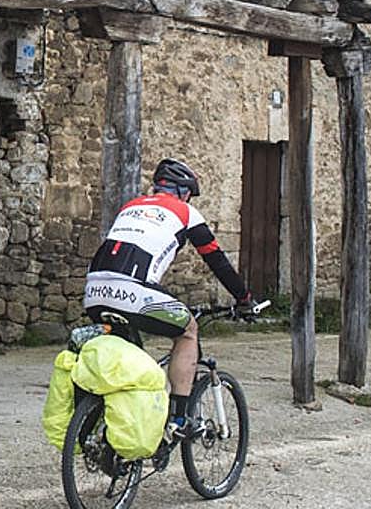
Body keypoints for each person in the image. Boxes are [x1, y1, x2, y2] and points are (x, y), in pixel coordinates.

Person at [82, 158, 255, 439]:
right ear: (184, 191)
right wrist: (244, 298)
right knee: (188, 331)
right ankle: (178, 419)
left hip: (93, 292)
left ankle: (113, 426)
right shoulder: (186, 212)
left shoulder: (131, 206)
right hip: (134, 291)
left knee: (129, 357)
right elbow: (217, 261)